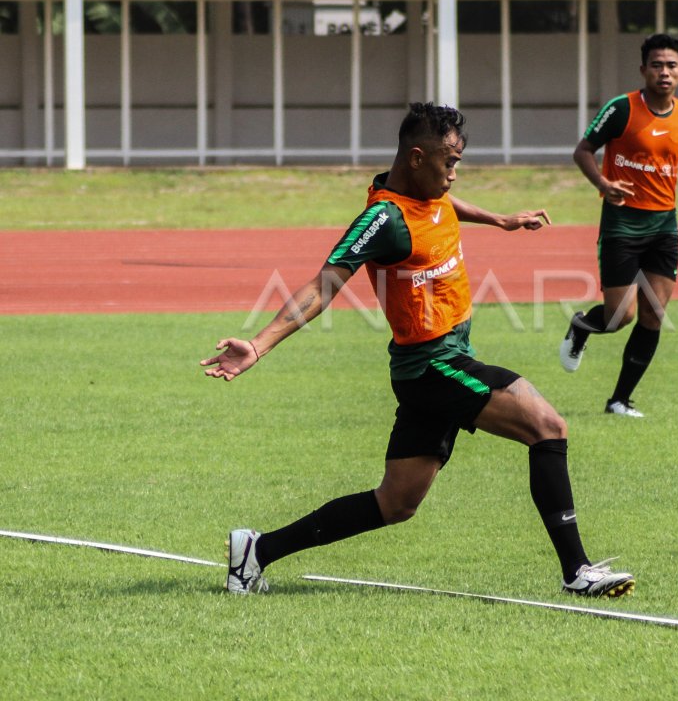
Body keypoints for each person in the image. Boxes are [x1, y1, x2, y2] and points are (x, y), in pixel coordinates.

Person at [201, 103, 634, 597]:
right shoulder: (383, 218)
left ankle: (256, 551)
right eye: (447, 163)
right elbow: (324, 284)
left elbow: (446, 208)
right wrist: (258, 345)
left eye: (457, 164)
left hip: (432, 367)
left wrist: (500, 219)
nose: (453, 174)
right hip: (433, 365)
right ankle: (577, 571)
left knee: (396, 503)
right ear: (414, 158)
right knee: (548, 426)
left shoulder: (430, 194)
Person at [558, 33, 678, 418]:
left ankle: (619, 400)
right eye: (656, 65)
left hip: (664, 228)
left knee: (653, 313)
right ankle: (581, 326)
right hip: (622, 227)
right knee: (618, 316)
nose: (664, 72)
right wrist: (603, 184)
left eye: (671, 65)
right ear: (643, 69)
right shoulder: (621, 109)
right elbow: (583, 150)